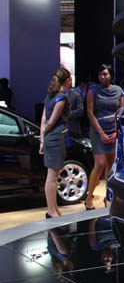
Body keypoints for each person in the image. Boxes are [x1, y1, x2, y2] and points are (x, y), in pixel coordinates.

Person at [84, 64, 124, 210]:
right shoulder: (93, 89)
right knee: (99, 163)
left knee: (110, 165)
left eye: (105, 74)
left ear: (111, 75)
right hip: (97, 130)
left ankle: (108, 196)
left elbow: (121, 112)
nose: (102, 77)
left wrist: (116, 132)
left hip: (113, 130)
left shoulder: (119, 91)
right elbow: (90, 113)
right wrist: (101, 133)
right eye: (100, 74)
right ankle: (89, 197)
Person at [40, 67, 73, 218]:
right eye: (70, 79)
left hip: (49, 138)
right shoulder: (61, 98)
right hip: (56, 137)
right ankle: (51, 211)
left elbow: (43, 119)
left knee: (52, 175)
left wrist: (42, 139)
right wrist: (45, 134)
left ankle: (54, 209)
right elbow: (51, 121)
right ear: (66, 81)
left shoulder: (49, 96)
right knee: (52, 176)